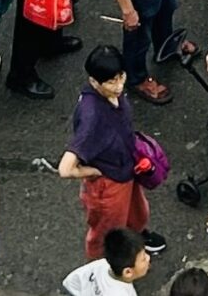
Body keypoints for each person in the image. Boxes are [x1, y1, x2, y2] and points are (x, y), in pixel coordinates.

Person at [56, 47, 152, 259]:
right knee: (107, 234)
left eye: (121, 77)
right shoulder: (91, 117)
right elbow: (65, 169)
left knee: (137, 213)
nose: (118, 86)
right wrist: (93, 171)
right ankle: (102, 268)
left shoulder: (112, 94)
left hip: (127, 172)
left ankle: (134, 241)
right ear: (94, 82)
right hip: (108, 185)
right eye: (111, 82)